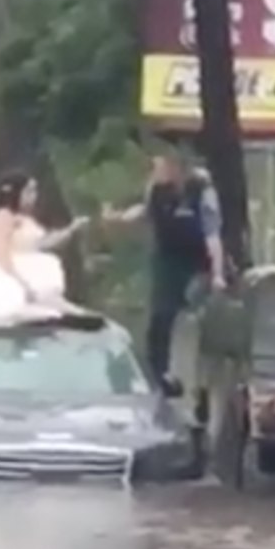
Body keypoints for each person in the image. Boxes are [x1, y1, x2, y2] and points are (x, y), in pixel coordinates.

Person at [102, 153, 226, 385]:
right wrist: (117, 219)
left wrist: (217, 273)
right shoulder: (156, 190)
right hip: (167, 258)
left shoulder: (200, 189)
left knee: (197, 317)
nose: (155, 171)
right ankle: (158, 373)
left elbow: (212, 233)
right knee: (161, 315)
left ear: (175, 167)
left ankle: (202, 378)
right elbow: (144, 212)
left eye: (159, 166)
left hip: (198, 260)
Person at [0, 170, 90, 327]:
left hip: (34, 269)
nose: (34, 196)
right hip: (14, 271)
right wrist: (21, 283)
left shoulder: (27, 219)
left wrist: (71, 229)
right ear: (17, 193)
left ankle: (75, 316)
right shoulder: (4, 216)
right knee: (24, 307)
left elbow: (45, 243)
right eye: (29, 191)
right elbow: (1, 254)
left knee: (51, 306)